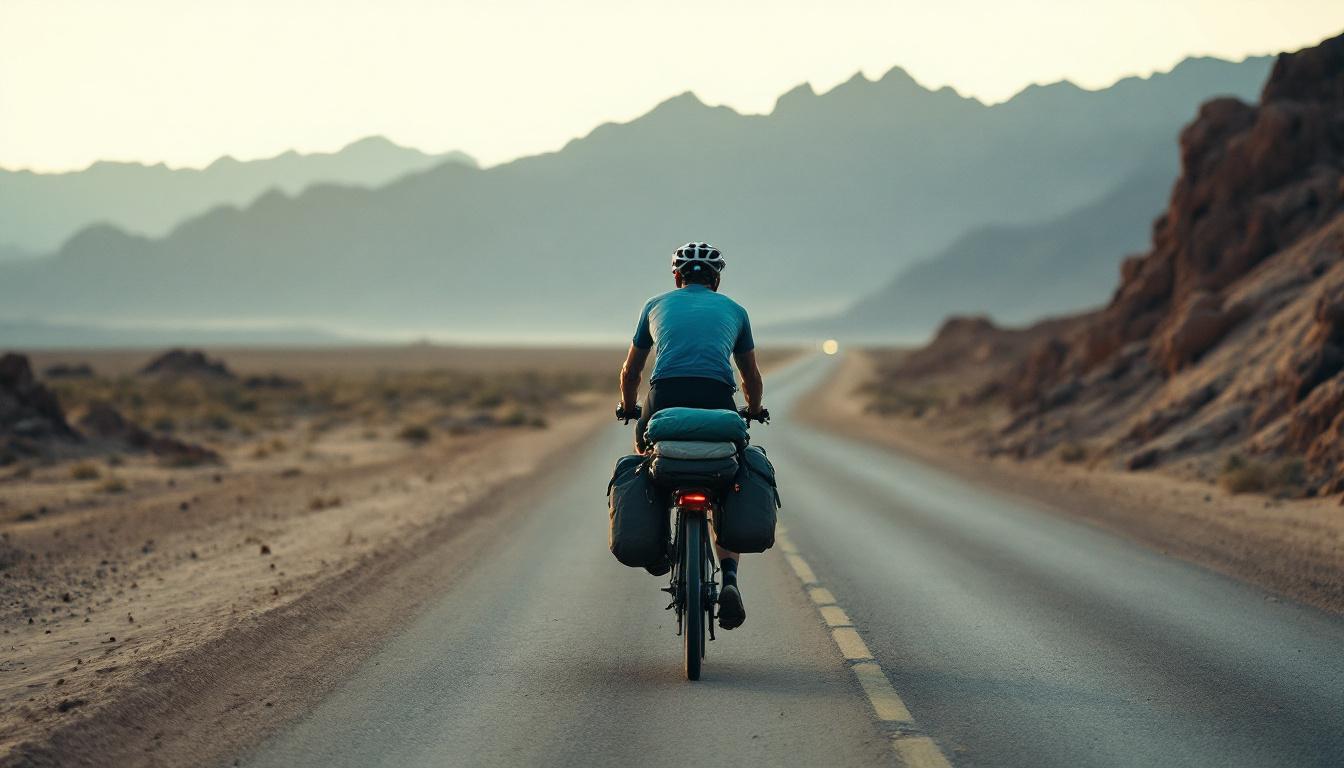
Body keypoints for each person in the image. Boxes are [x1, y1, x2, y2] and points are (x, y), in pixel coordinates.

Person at [618, 242, 765, 631]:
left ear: (677, 276)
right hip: (718, 397)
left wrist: (628, 406)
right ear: (716, 279)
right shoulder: (735, 310)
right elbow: (750, 375)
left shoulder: (654, 305)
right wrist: (753, 409)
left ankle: (658, 546)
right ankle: (730, 577)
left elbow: (631, 371)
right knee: (731, 472)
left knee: (646, 452)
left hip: (665, 395)